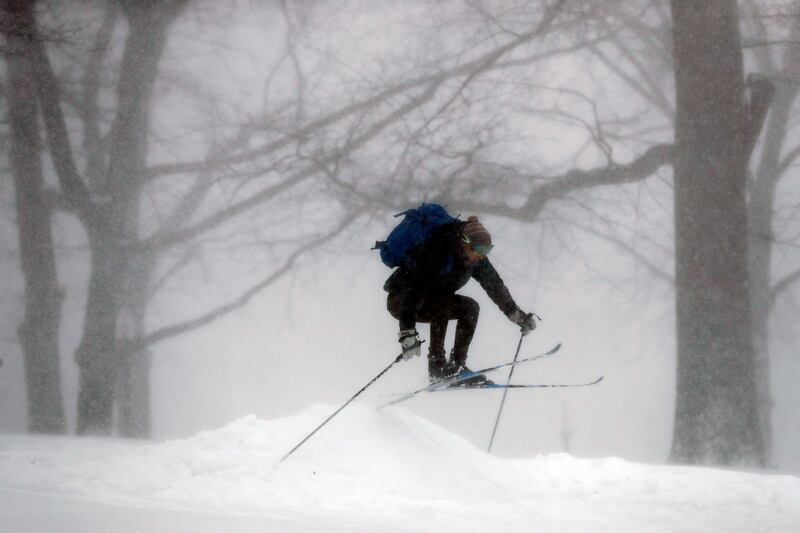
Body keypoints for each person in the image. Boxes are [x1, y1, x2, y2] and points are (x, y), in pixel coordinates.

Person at [384, 215, 536, 383]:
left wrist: (517, 315)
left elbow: (495, 286)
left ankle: (457, 366)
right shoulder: (437, 249)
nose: (481, 255)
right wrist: (407, 331)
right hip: (401, 301)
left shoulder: (476, 260)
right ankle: (437, 367)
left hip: (434, 300)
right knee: (442, 299)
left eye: (487, 250)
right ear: (464, 242)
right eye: (479, 249)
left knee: (470, 308)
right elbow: (410, 288)